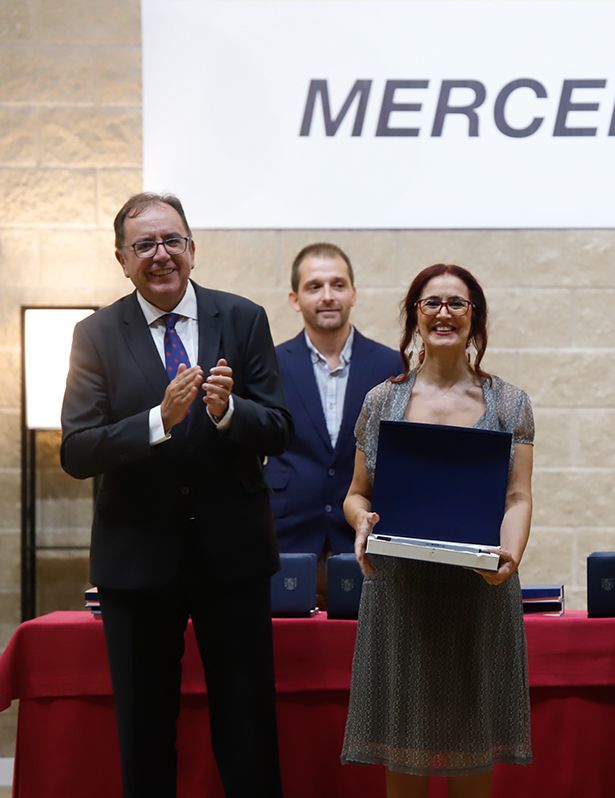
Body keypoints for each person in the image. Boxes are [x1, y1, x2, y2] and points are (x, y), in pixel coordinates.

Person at [59, 192, 292, 797]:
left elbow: (280, 427)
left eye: (172, 242)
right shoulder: (95, 333)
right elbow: (77, 450)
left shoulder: (242, 318)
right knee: (145, 735)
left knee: (248, 733)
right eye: (144, 245)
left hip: (232, 560)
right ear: (121, 258)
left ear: (192, 248)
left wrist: (227, 412)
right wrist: (158, 421)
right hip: (137, 563)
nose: (160, 255)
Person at [341, 264, 534, 797]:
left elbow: (518, 496)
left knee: (473, 762)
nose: (444, 313)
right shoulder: (382, 401)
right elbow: (356, 495)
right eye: (432, 303)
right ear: (415, 316)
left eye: (457, 303)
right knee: (403, 761)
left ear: (475, 318)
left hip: (479, 596)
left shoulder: (510, 403)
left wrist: (509, 558)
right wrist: (363, 523)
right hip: (401, 597)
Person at [264, 243, 404, 604]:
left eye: (338, 285)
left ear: (353, 294)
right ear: (295, 299)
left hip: (363, 541)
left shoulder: (392, 367)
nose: (328, 296)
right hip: (286, 538)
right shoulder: (268, 365)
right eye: (314, 286)